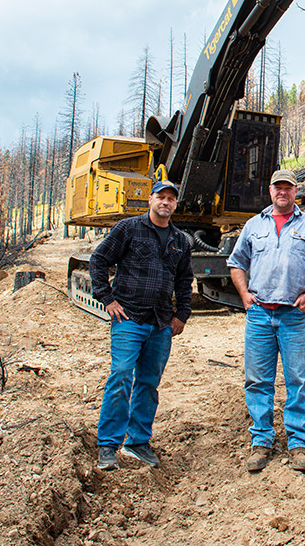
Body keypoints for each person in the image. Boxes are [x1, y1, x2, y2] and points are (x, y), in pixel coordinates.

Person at [227, 169, 305, 474]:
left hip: (294, 316)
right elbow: (237, 263)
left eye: (288, 188)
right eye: (278, 187)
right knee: (258, 380)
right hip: (260, 314)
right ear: (270, 190)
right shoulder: (253, 226)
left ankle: (298, 442)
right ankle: (261, 440)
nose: (283, 192)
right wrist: (245, 296)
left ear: (295, 190)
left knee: (298, 381)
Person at [90, 180, 194, 471]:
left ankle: (137, 442)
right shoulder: (128, 229)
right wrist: (107, 299)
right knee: (121, 375)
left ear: (175, 205)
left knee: (148, 384)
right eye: (161, 197)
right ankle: (108, 446)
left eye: (171, 199)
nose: (166, 202)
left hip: (161, 323)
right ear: (150, 200)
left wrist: (182, 314)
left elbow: (185, 280)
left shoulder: (180, 240)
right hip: (129, 318)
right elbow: (99, 260)